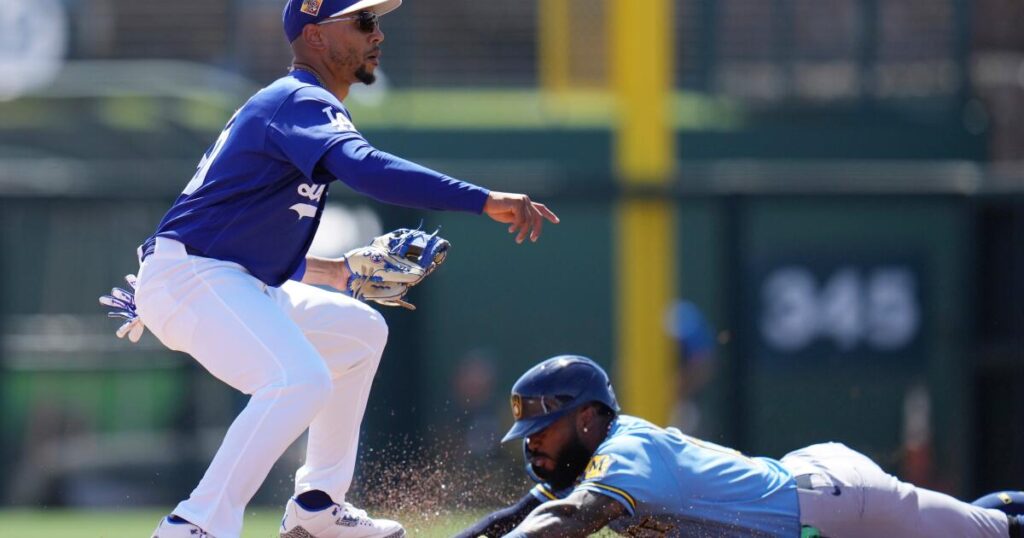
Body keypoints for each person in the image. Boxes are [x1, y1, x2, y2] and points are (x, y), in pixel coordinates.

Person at [133, 1, 558, 536]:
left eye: (376, 21)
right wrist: (482, 199)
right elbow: (368, 169)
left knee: (359, 332)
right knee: (298, 379)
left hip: (224, 277)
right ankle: (195, 523)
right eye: (361, 22)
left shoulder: (297, 107)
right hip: (195, 278)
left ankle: (315, 508)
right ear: (314, 36)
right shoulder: (299, 99)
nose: (376, 33)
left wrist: (336, 273)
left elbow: (245, 241)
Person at [457, 355, 1024, 538]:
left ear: (587, 418)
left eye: (543, 430)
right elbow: (521, 513)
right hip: (806, 487)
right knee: (981, 523)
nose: (531, 445)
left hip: (834, 503)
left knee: (991, 533)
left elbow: (571, 520)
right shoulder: (595, 460)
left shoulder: (626, 452)